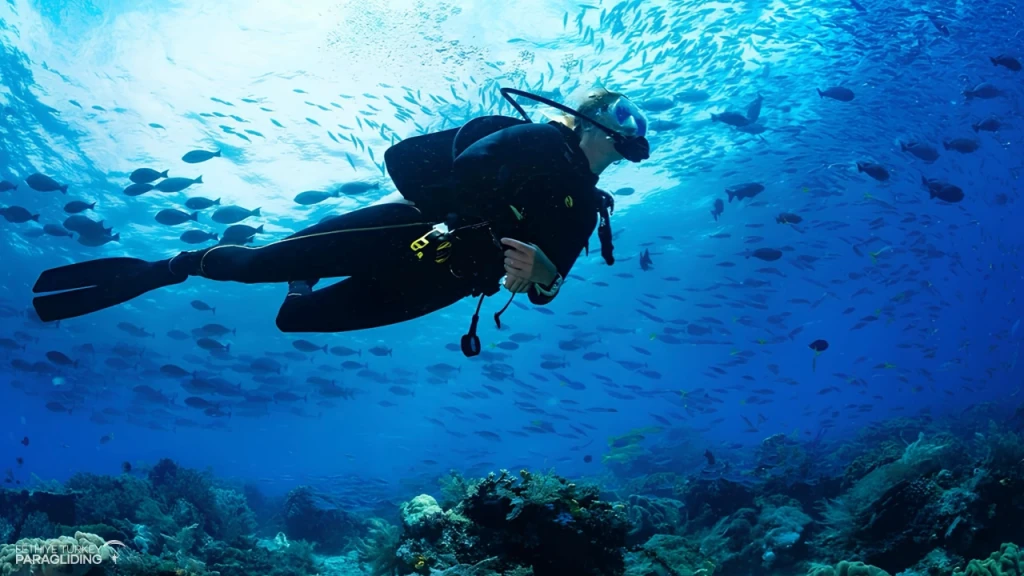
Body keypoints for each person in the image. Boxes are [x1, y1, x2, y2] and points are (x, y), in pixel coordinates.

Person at [31, 86, 650, 356]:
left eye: (640, 121)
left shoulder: (588, 208)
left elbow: (547, 289)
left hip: (449, 282)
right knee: (252, 267)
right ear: (592, 119)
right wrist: (516, 184)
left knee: (296, 317)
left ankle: (301, 279)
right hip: (412, 231)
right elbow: (469, 164)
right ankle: (174, 266)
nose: (635, 127)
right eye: (624, 112)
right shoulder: (541, 141)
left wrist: (542, 276)